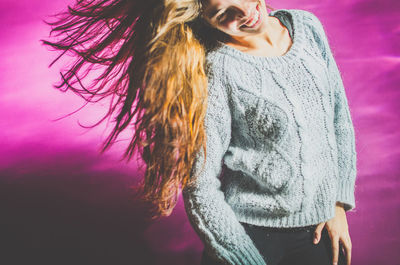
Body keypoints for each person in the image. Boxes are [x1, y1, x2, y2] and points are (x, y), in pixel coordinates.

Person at [42, 0, 357, 265]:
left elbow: (339, 118)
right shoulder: (218, 69)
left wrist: (338, 204)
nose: (244, 12)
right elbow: (200, 185)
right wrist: (242, 256)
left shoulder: (307, 27)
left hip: (322, 229)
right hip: (250, 238)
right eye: (223, 14)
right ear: (207, 21)